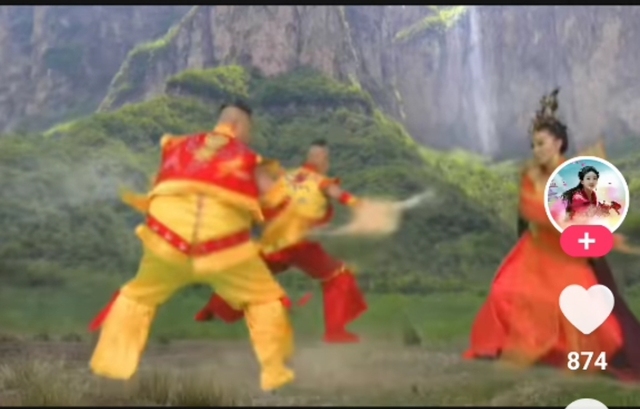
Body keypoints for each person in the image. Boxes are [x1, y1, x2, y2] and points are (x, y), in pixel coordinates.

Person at [88, 101, 295, 392]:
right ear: (240, 126)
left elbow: (159, 189)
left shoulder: (177, 147)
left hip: (166, 242)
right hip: (223, 248)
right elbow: (274, 200)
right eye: (250, 130)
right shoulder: (247, 157)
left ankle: (112, 369)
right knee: (263, 299)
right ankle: (275, 372)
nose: (250, 136)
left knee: (138, 296)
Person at [463, 89, 640, 380]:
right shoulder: (530, 173)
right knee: (504, 291)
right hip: (537, 249)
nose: (537, 150)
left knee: (586, 311)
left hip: (568, 251)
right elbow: (528, 209)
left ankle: (575, 358)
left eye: (542, 143)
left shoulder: (573, 173)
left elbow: (590, 212)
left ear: (557, 143)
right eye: (534, 145)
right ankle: (533, 352)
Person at [195, 139, 368, 343]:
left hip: (274, 243)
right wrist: (361, 205)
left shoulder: (287, 177)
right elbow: (339, 195)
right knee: (338, 276)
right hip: (301, 244)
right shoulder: (322, 181)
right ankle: (335, 331)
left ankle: (211, 310)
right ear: (323, 160)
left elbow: (268, 200)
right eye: (325, 157)